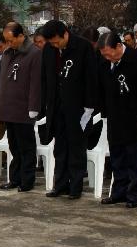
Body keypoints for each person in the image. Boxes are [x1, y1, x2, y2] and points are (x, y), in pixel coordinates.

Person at [39, 20, 97, 199]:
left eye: (57, 41)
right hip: (56, 105)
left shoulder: (82, 47)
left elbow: (91, 77)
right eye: (51, 43)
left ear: (65, 34)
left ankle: (75, 186)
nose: (55, 45)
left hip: (77, 106)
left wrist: (89, 105)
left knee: (76, 146)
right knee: (60, 146)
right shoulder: (49, 50)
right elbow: (45, 77)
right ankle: (60, 184)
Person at [97, 32, 137, 208]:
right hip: (115, 116)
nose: (107, 57)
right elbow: (103, 88)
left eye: (109, 53)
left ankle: (133, 194)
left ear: (118, 46)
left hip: (135, 118)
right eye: (104, 55)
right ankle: (118, 192)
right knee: (117, 157)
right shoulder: (105, 63)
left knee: (135, 159)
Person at [0, 22, 42, 192]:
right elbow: (1, 82)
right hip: (8, 108)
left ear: (21, 36)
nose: (8, 44)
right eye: (6, 41)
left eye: (11, 40)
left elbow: (36, 82)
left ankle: (27, 180)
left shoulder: (34, 53)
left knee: (26, 148)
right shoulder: (7, 53)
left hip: (24, 109)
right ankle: (14, 178)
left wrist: (34, 106)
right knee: (14, 147)